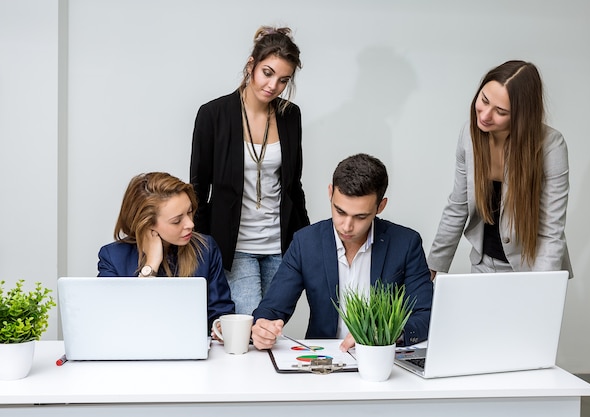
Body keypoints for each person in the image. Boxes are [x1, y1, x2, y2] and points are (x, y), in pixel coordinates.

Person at [251, 154, 433, 352]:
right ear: (330, 193)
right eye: (340, 211)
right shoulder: (305, 242)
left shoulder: (406, 243)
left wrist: (385, 333)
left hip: (381, 358)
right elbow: (272, 308)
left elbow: (425, 314)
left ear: (380, 206)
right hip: (324, 363)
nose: (347, 226)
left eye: (360, 217)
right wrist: (262, 327)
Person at [189, 25, 310, 316]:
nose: (273, 86)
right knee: (247, 324)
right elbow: (198, 188)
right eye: (267, 73)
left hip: (280, 245)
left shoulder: (290, 115)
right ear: (251, 65)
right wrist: (204, 250)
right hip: (234, 247)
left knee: (270, 327)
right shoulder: (213, 115)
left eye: (283, 80)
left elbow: (294, 185)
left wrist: (307, 242)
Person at [428, 60, 573, 279]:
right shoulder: (469, 135)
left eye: (501, 111)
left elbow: (551, 231)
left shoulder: (551, 146)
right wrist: (433, 266)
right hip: (482, 265)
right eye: (484, 100)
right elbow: (457, 206)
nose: (485, 115)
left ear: (522, 116)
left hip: (531, 268)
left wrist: (543, 289)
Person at [97, 172, 235, 330]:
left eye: (189, 211)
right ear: (147, 224)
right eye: (177, 221)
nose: (190, 224)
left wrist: (219, 327)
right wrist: (151, 266)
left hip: (193, 350)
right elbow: (112, 320)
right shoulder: (113, 258)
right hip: (136, 351)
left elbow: (220, 312)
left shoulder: (205, 248)